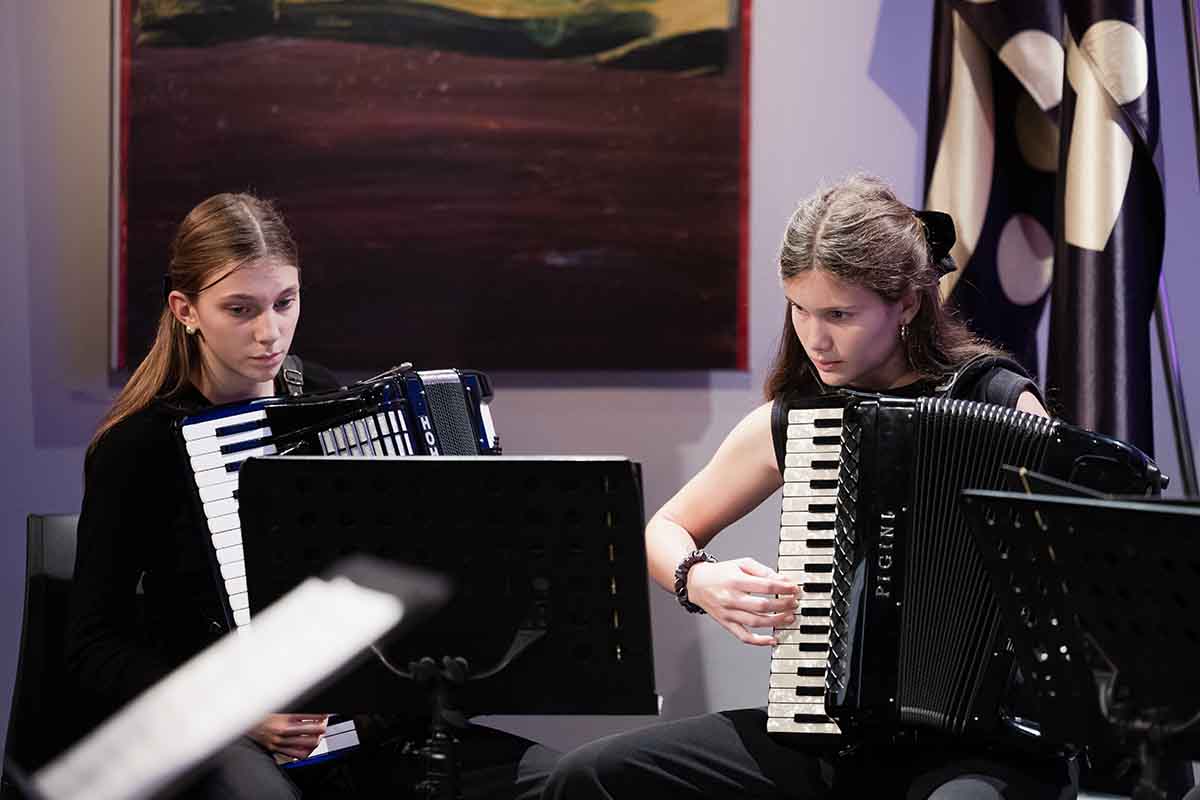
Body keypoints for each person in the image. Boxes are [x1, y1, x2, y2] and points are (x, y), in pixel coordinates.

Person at [542, 174, 1073, 799]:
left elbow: (1066, 574)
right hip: (834, 738)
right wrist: (700, 580)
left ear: (906, 304)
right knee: (590, 776)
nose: (815, 339)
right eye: (800, 309)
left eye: (839, 315)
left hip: (985, 746)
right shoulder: (801, 419)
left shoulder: (1000, 402)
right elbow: (663, 529)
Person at [66, 192, 556, 799]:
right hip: (223, 736)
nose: (269, 332)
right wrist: (232, 710)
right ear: (185, 310)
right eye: (240, 309)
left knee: (562, 781)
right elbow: (92, 646)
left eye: (285, 302)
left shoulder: (319, 395)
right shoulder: (138, 446)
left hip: (361, 726)